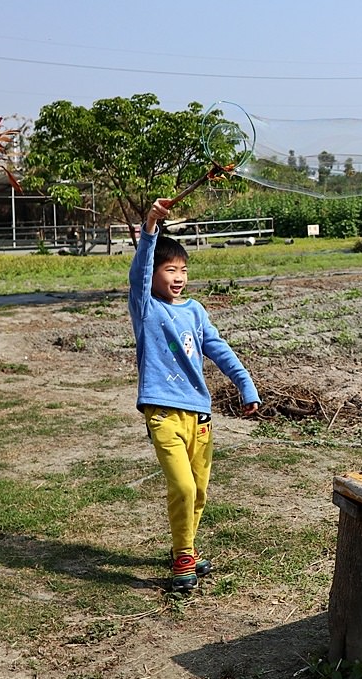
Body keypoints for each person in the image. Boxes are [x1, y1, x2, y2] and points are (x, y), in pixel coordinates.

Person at [129, 198, 261, 593]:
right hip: (162, 413)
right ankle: (184, 557)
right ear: (153, 274)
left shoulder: (195, 311)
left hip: (199, 415)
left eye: (184, 269)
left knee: (199, 491)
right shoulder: (145, 307)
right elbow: (138, 270)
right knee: (183, 487)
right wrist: (151, 223)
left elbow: (218, 348)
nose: (179, 276)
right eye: (170, 269)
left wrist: (245, 383)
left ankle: (182, 548)